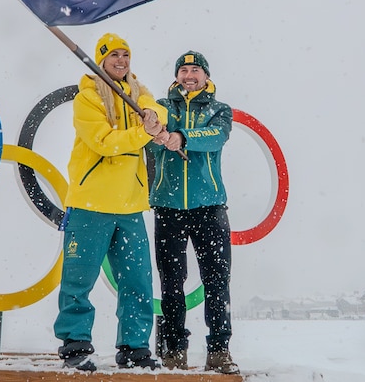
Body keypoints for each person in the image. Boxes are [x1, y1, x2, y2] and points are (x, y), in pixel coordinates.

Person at [54, 33, 167, 372]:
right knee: (79, 280)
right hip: (91, 204)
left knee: (137, 282)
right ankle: (75, 345)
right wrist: (145, 132)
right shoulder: (87, 98)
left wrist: (150, 113)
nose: (121, 61)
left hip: (130, 206)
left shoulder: (138, 94)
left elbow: (158, 107)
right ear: (101, 60)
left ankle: (134, 348)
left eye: (126, 55)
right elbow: (104, 142)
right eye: (114, 55)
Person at [148, 51, 241, 375]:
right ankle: (174, 350)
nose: (189, 75)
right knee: (172, 283)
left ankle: (219, 349)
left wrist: (182, 136)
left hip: (209, 207)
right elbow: (151, 136)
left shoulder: (220, 110)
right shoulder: (163, 106)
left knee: (217, 281)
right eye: (184, 69)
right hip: (168, 207)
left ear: (205, 76)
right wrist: (157, 132)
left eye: (195, 70)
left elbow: (216, 137)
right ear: (176, 76)